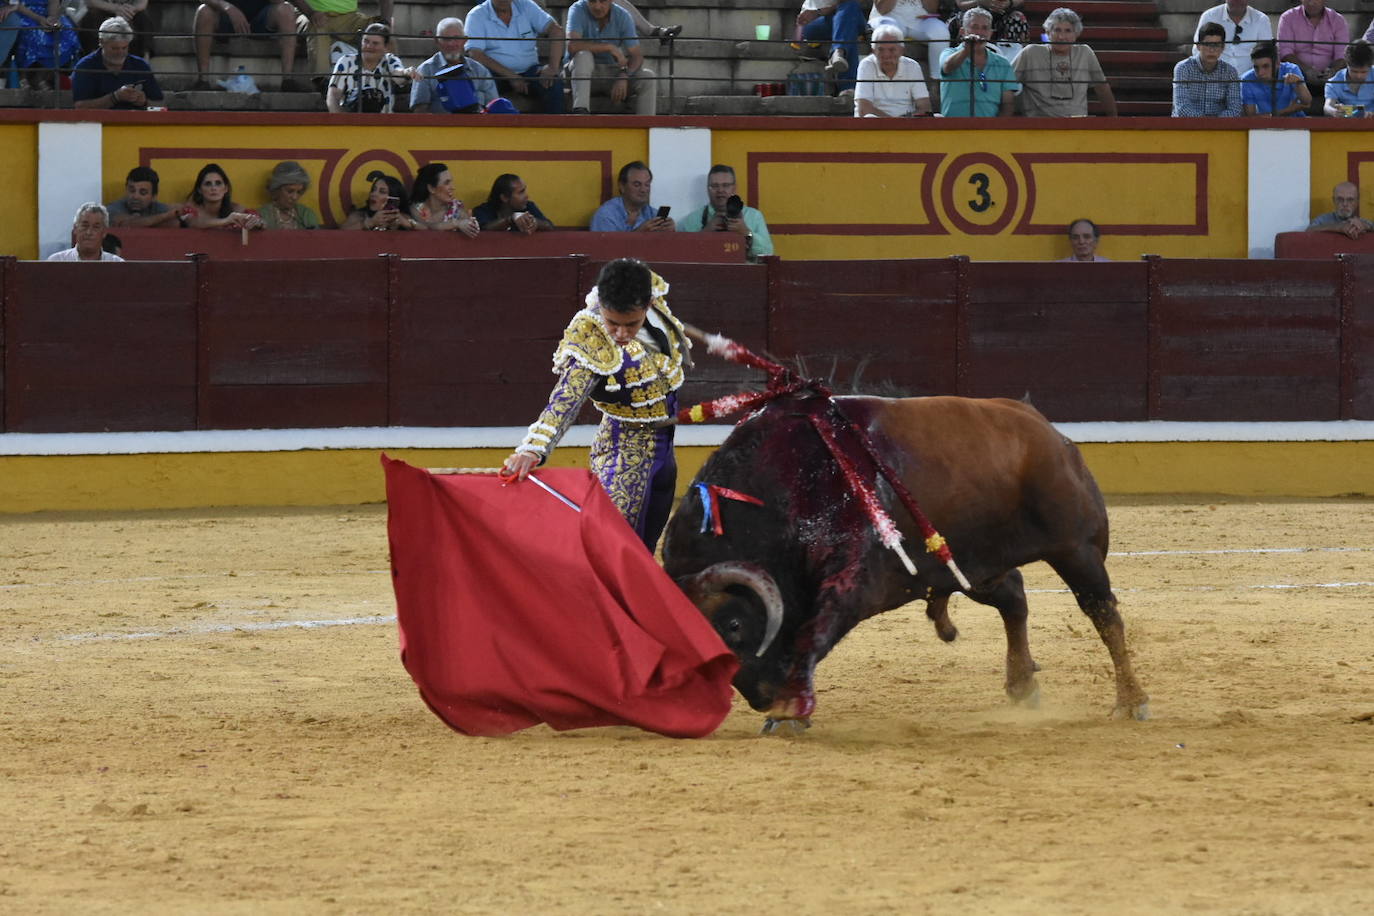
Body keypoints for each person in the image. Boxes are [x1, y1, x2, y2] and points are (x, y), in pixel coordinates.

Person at [502, 258, 691, 550]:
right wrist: (532, 448)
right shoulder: (591, 336)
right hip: (623, 452)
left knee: (645, 548)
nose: (620, 333)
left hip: (665, 452)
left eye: (631, 324)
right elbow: (566, 398)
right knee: (612, 548)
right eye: (612, 322)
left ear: (649, 304)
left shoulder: (656, 308)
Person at [464, 0, 566, 114]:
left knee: (553, 83)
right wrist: (512, 76)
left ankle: (555, 128)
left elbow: (557, 31)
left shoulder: (526, 5)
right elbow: (475, 54)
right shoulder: (476, 15)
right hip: (494, 74)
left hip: (530, 71)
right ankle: (482, 128)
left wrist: (552, 67)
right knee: (479, 84)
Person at [1013, 7, 1116, 117]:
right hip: (1038, 125)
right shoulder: (1030, 52)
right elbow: (1005, 84)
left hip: (1076, 126)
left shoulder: (1085, 52)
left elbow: (1102, 89)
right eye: (1057, 30)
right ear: (1047, 32)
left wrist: (1114, 120)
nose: (1062, 37)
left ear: (1076, 34)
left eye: (1068, 31)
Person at [564, 0, 655, 115]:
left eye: (602, 1)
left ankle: (646, 126)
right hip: (578, 73)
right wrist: (608, 47)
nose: (597, 6)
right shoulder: (577, 9)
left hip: (612, 73)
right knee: (583, 55)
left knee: (648, 77)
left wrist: (624, 76)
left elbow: (637, 57)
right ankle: (581, 112)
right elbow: (572, 46)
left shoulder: (623, 15)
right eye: (592, 1)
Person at [191, 0, 304, 92]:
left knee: (286, 9)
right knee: (204, 11)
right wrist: (228, 7)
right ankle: (203, 80)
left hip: (261, 19)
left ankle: (287, 80)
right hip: (227, 17)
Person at [678, 164, 775, 262]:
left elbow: (768, 253)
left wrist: (746, 233)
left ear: (734, 188)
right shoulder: (693, 219)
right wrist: (705, 233)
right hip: (706, 275)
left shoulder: (753, 216)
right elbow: (682, 254)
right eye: (715, 186)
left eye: (726, 185)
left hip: (745, 274)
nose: (720, 190)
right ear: (707, 189)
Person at [290, 0, 391, 90]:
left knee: (381, 29)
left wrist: (386, 22)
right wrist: (310, 13)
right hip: (311, 14)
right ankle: (322, 81)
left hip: (349, 16)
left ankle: (392, 75)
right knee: (318, 26)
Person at [71, 16, 164, 111]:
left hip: (135, 122)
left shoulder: (140, 65)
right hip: (98, 123)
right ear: (101, 42)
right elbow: (80, 107)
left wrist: (144, 102)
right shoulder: (85, 66)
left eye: (124, 48)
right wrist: (115, 97)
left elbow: (160, 105)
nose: (120, 53)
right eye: (114, 48)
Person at [939, 8, 1018, 117]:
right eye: (974, 27)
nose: (980, 33)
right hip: (953, 128)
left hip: (989, 130)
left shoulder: (1002, 63)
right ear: (962, 31)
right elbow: (947, 67)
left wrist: (996, 129)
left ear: (990, 34)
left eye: (985, 28)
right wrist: (967, 50)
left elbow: (1008, 104)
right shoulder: (948, 53)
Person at [410, 17, 499, 113]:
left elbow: (494, 107)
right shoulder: (425, 70)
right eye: (446, 39)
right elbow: (419, 111)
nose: (451, 44)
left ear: (465, 40)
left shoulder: (480, 70)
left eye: (456, 38)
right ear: (436, 41)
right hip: (441, 126)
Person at [326, 21, 416, 112]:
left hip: (383, 122)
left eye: (375, 43)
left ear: (386, 47)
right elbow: (333, 95)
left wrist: (406, 72)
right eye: (366, 41)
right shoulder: (345, 61)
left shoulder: (390, 60)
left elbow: (398, 76)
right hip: (352, 121)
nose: (369, 46)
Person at [1277, 0, 1349, 115]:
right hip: (1297, 76)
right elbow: (1285, 52)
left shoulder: (1338, 20)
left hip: (1329, 78)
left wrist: (1333, 70)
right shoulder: (1288, 18)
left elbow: (1343, 55)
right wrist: (1306, 70)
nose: (1311, 3)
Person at [869, 0, 949, 96]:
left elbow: (932, 9)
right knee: (889, 34)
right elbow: (882, 9)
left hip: (920, 19)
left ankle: (937, 86)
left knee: (941, 32)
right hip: (888, 17)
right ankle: (889, 83)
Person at [854, 22, 931, 117]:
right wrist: (893, 124)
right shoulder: (866, 65)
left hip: (906, 123)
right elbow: (864, 108)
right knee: (869, 117)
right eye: (881, 49)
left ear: (901, 51)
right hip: (876, 126)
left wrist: (903, 124)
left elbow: (924, 106)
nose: (886, 55)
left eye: (892, 50)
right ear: (873, 51)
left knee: (939, 117)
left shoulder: (912, 66)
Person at [1172, 21, 1241, 117]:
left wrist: (1213, 124)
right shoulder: (1183, 68)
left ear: (1223, 47)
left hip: (1219, 128)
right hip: (1187, 127)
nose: (1212, 50)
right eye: (1208, 44)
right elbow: (1182, 108)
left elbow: (1235, 110)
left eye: (1216, 45)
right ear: (1198, 46)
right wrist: (1207, 122)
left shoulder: (1230, 72)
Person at [9, 0, 80, 87]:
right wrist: (39, 19)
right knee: (33, 33)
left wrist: (52, 18)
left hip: (45, 14)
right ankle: (23, 77)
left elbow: (53, 2)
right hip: (23, 13)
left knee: (66, 31)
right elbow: (15, 4)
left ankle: (41, 77)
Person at [1194, 0, 1272, 78]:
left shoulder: (1261, 19)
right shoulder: (1209, 16)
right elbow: (1197, 50)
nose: (1237, 1)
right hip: (1215, 78)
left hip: (1250, 81)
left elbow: (1267, 53)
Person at [590, 160, 675, 232]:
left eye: (647, 185)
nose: (643, 190)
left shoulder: (653, 214)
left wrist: (671, 233)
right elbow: (606, 249)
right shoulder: (606, 215)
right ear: (622, 186)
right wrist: (639, 233)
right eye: (637, 184)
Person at [797, 0, 863, 92]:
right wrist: (819, 12)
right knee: (848, 29)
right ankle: (848, 87)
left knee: (850, 7)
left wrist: (822, 11)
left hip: (847, 15)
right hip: (815, 21)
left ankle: (839, 51)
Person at [178, 162, 263, 230]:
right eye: (208, 184)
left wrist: (257, 222)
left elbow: (261, 223)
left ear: (225, 188)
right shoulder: (191, 208)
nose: (213, 188)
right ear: (199, 190)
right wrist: (226, 221)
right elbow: (194, 223)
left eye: (218, 183)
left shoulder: (237, 209)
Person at [1241, 41, 1311, 116]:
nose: (1260, 73)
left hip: (1295, 123)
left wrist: (1298, 84)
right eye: (1256, 67)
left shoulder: (1291, 69)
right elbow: (1251, 116)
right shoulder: (1247, 79)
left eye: (1265, 66)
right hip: (1264, 125)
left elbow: (1307, 102)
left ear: (1278, 63)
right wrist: (1279, 113)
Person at [409, 162, 480, 235]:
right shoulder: (417, 209)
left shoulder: (458, 212)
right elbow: (426, 227)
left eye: (451, 182)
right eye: (446, 183)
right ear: (431, 188)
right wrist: (455, 223)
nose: (452, 187)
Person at [473, 173, 555, 233]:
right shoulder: (483, 210)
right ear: (504, 198)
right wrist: (510, 219)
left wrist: (535, 222)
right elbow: (484, 229)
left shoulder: (528, 206)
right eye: (521, 192)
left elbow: (549, 226)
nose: (526, 196)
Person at [340, 170, 422, 230]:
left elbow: (428, 232)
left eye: (382, 192)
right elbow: (339, 234)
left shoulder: (403, 217)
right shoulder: (360, 215)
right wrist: (370, 223)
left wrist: (409, 224)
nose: (374, 194)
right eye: (373, 190)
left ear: (393, 197)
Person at [76, 0, 155, 61]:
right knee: (89, 17)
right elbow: (90, 2)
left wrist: (128, 11)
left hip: (129, 11)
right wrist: (116, 8)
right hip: (105, 10)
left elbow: (142, 3)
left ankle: (145, 57)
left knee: (144, 18)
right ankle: (92, 57)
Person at [106, 165, 178, 228]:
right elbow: (126, 224)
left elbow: (174, 224)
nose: (135, 196)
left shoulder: (158, 208)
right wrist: (165, 217)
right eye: (132, 191)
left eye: (143, 193)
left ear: (153, 197)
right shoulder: (113, 208)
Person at [47, 203, 124, 261]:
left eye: (96, 227)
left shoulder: (116, 264)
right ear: (75, 228)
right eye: (85, 226)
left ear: (104, 232)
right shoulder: (57, 261)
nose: (89, 232)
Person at [945, 0, 1028, 52]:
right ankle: (963, 53)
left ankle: (1010, 58)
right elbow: (961, 3)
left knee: (1017, 18)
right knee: (964, 19)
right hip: (973, 9)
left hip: (1003, 11)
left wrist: (1009, 3)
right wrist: (981, 2)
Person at [258, 161, 321, 230]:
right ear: (276, 190)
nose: (294, 197)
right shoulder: (263, 214)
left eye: (299, 192)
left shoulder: (306, 214)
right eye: (290, 191)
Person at [1323, 39, 1374, 117]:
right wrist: (1334, 112)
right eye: (1354, 71)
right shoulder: (1334, 82)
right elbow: (1327, 107)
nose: (1358, 76)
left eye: (1363, 72)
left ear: (1371, 66)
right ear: (1347, 64)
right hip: (1346, 124)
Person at [1307, 181, 1373, 238]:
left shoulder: (1362, 221)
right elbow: (1309, 231)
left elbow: (1371, 226)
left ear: (1357, 202)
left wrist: (1366, 226)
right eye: (1340, 199)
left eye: (1350, 200)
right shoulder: (1323, 220)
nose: (1345, 204)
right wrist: (1338, 227)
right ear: (1334, 200)